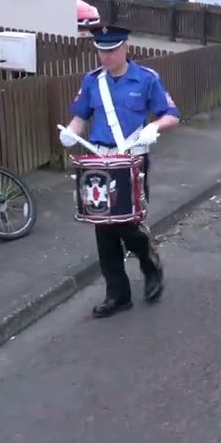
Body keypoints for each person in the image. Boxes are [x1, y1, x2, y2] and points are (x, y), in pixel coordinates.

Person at [60, 26, 181, 318]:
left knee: (130, 224)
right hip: (100, 159)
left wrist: (155, 127)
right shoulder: (92, 81)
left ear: (126, 47)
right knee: (103, 228)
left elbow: (172, 115)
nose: (106, 56)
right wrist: (70, 132)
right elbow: (80, 117)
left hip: (131, 159)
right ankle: (117, 294)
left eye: (112, 50)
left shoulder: (147, 78)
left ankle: (150, 264)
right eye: (101, 51)